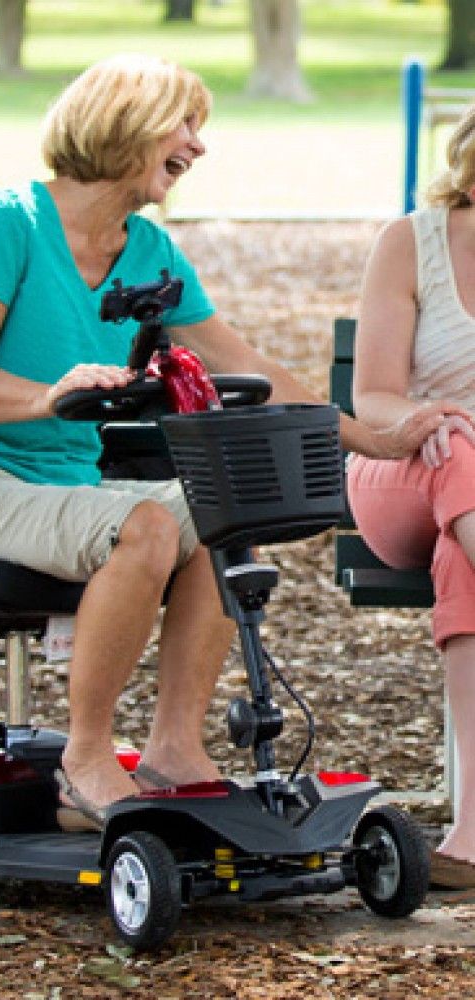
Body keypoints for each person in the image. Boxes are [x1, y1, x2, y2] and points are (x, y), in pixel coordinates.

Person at [0, 54, 462, 830]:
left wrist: (375, 441)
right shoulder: (10, 220)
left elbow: (246, 364)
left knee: (221, 513)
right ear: (127, 122)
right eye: (185, 126)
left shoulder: (150, 250)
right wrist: (44, 397)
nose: (198, 146)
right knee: (149, 523)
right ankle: (85, 763)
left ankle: (174, 749)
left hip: (62, 489)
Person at [346, 102, 475, 889]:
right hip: (403, 470)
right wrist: (424, 422)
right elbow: (373, 398)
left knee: (468, 556)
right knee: (456, 440)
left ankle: (473, 831)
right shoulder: (413, 241)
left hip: (462, 518)